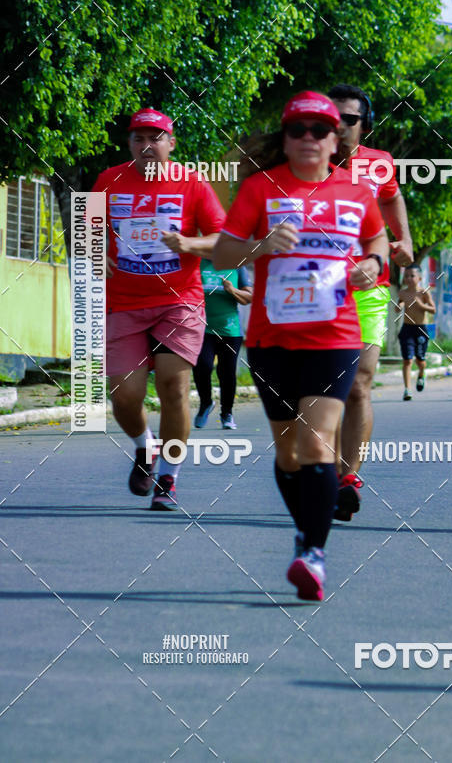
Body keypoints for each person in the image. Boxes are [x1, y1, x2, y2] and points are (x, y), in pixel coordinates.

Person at [212, 90, 388, 600]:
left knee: (316, 446)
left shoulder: (356, 193)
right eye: (298, 130)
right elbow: (224, 248)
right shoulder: (259, 190)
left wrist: (373, 267)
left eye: (321, 130)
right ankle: (306, 530)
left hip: (334, 335)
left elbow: (377, 242)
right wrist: (260, 246)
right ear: (285, 139)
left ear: (338, 139)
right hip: (271, 338)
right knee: (288, 454)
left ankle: (313, 553)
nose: (309, 138)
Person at [92, 108, 226, 509]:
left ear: (171, 142)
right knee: (125, 396)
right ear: (129, 143)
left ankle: (169, 475)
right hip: (124, 302)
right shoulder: (108, 180)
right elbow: (88, 231)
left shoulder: (193, 183)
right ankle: (144, 446)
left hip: (179, 300)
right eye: (138, 139)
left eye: (155, 138)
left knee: (173, 385)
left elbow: (222, 236)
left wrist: (190, 245)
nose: (146, 146)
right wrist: (96, 255)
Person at [328, 84, 413, 520]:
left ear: (366, 125)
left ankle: (348, 477)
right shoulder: (304, 164)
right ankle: (318, 471)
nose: (340, 126)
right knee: (322, 389)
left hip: (368, 287)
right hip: (313, 292)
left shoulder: (379, 164)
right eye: (333, 117)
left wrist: (404, 240)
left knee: (360, 382)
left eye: (350, 119)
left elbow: (393, 196)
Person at [193, 261, 252, 430]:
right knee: (202, 365)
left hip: (230, 329)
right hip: (202, 327)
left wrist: (232, 290)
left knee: (226, 372)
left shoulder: (237, 265)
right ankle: (206, 402)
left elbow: (249, 298)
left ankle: (227, 413)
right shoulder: (198, 263)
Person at [396, 263, 436, 400]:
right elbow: (399, 304)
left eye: (412, 275)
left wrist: (421, 305)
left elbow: (433, 309)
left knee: (420, 360)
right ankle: (407, 390)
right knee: (407, 360)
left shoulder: (424, 293)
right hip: (407, 328)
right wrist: (399, 305)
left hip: (421, 329)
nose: (408, 278)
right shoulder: (402, 292)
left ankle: (421, 373)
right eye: (406, 275)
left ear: (419, 278)